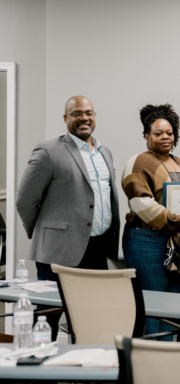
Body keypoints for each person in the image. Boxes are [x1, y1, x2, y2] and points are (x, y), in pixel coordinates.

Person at [16, 95, 121, 339]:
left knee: (92, 315)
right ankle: (37, 371)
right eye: (77, 113)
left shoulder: (105, 153)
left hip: (97, 248)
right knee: (48, 315)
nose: (84, 118)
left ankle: (85, 369)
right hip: (58, 251)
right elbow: (25, 199)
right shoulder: (49, 151)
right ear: (66, 118)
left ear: (94, 117)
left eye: (89, 113)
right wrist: (45, 232)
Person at [122, 104, 180, 339]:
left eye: (170, 133)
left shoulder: (179, 162)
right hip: (147, 241)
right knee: (152, 304)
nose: (165, 137)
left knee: (171, 306)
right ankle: (147, 365)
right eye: (158, 133)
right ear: (146, 136)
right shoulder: (139, 161)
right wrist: (178, 220)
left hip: (175, 243)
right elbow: (140, 204)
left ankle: (165, 361)